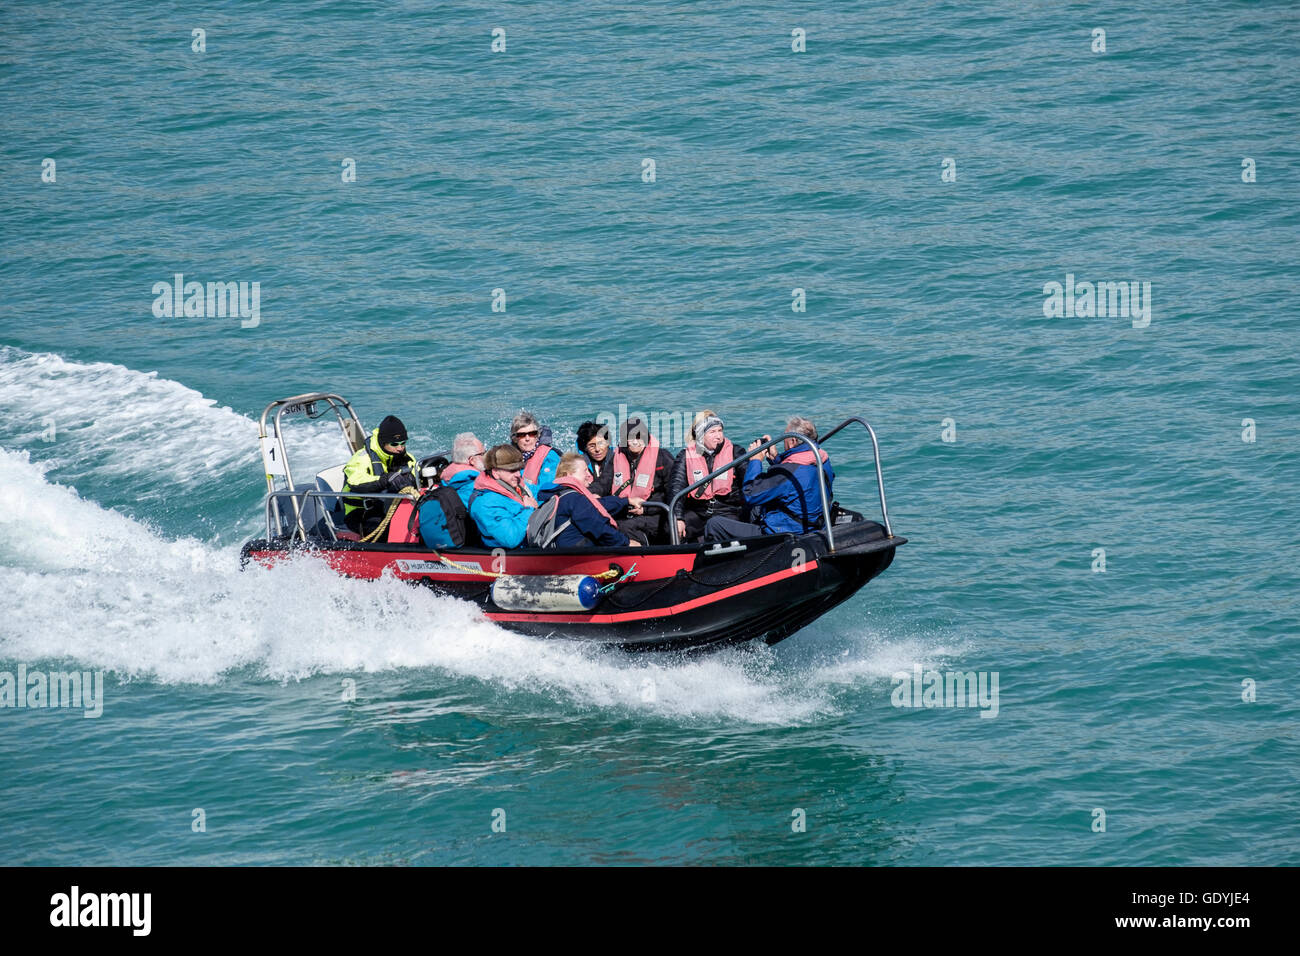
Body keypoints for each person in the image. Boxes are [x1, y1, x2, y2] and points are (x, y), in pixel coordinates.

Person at [703, 416, 835, 542]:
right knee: (755, 509)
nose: (783, 440)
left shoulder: (789, 472)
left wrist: (755, 461)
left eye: (785, 436)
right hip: (813, 524)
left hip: (784, 532)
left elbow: (750, 494)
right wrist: (775, 458)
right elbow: (795, 479)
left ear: (793, 441)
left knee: (714, 524)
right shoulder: (822, 459)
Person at [532, 453, 645, 548]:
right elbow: (597, 527)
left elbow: (596, 505)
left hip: (556, 552)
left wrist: (626, 501)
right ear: (569, 475)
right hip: (576, 556)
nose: (588, 475)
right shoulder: (574, 498)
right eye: (585, 470)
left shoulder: (555, 494)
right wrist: (626, 543)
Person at [667, 410, 747, 542]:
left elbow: (749, 480)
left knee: (720, 525)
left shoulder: (736, 452)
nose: (718, 436)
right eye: (712, 432)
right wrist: (678, 518)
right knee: (672, 527)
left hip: (728, 511)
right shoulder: (685, 456)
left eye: (720, 430)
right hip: (699, 512)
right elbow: (676, 488)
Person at [341, 415, 418, 535]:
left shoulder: (408, 457)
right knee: (385, 530)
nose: (400, 448)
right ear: (383, 442)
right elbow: (355, 482)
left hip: (394, 507)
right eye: (394, 444)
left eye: (403, 443)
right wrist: (385, 479)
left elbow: (416, 478)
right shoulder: (361, 458)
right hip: (362, 511)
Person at [606, 415, 674, 543]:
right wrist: (593, 493)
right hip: (626, 510)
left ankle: (643, 551)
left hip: (655, 514)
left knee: (624, 527)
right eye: (631, 438)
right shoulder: (617, 457)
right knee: (605, 523)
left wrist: (646, 509)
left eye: (639, 437)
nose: (636, 442)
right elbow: (603, 482)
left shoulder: (663, 458)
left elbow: (672, 493)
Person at [468, 444, 538, 548]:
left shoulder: (514, 483)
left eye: (519, 468)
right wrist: (529, 510)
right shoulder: (485, 504)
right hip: (513, 555)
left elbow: (538, 492)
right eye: (512, 470)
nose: (518, 474)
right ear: (496, 473)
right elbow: (510, 539)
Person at [511, 411, 561, 497]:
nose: (527, 438)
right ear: (515, 438)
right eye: (522, 435)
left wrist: (519, 485)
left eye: (532, 434)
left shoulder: (550, 457)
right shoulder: (510, 456)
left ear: (537, 435)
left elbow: (547, 491)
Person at [439, 432, 486, 508]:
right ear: (472, 460)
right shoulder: (477, 488)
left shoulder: (446, 479)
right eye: (483, 454)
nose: (486, 457)